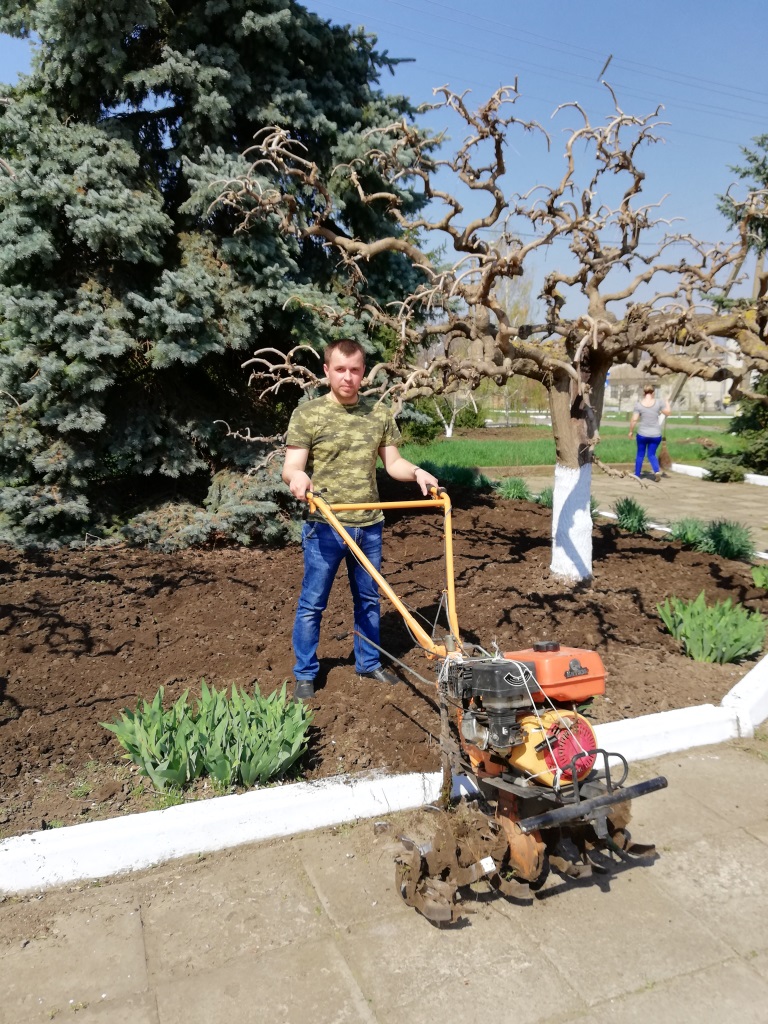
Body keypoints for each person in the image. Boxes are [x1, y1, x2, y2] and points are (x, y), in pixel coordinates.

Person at [282, 338, 440, 700]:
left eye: (354, 370)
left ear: (363, 372)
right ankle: (305, 673)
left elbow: (393, 463)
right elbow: (291, 466)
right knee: (313, 603)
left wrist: (417, 472)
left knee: (368, 599)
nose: (347, 377)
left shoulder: (378, 414)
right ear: (327, 371)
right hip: (325, 525)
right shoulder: (308, 414)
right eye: (340, 369)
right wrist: (298, 478)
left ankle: (368, 663)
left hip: (368, 524)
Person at [628, 384, 671, 479]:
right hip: (656, 435)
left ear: (644, 393)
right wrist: (667, 402)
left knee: (640, 454)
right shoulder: (659, 403)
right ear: (653, 393)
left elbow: (634, 420)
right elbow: (668, 412)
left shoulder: (638, 405)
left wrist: (631, 431)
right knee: (651, 454)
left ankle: (637, 475)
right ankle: (656, 471)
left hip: (642, 434)